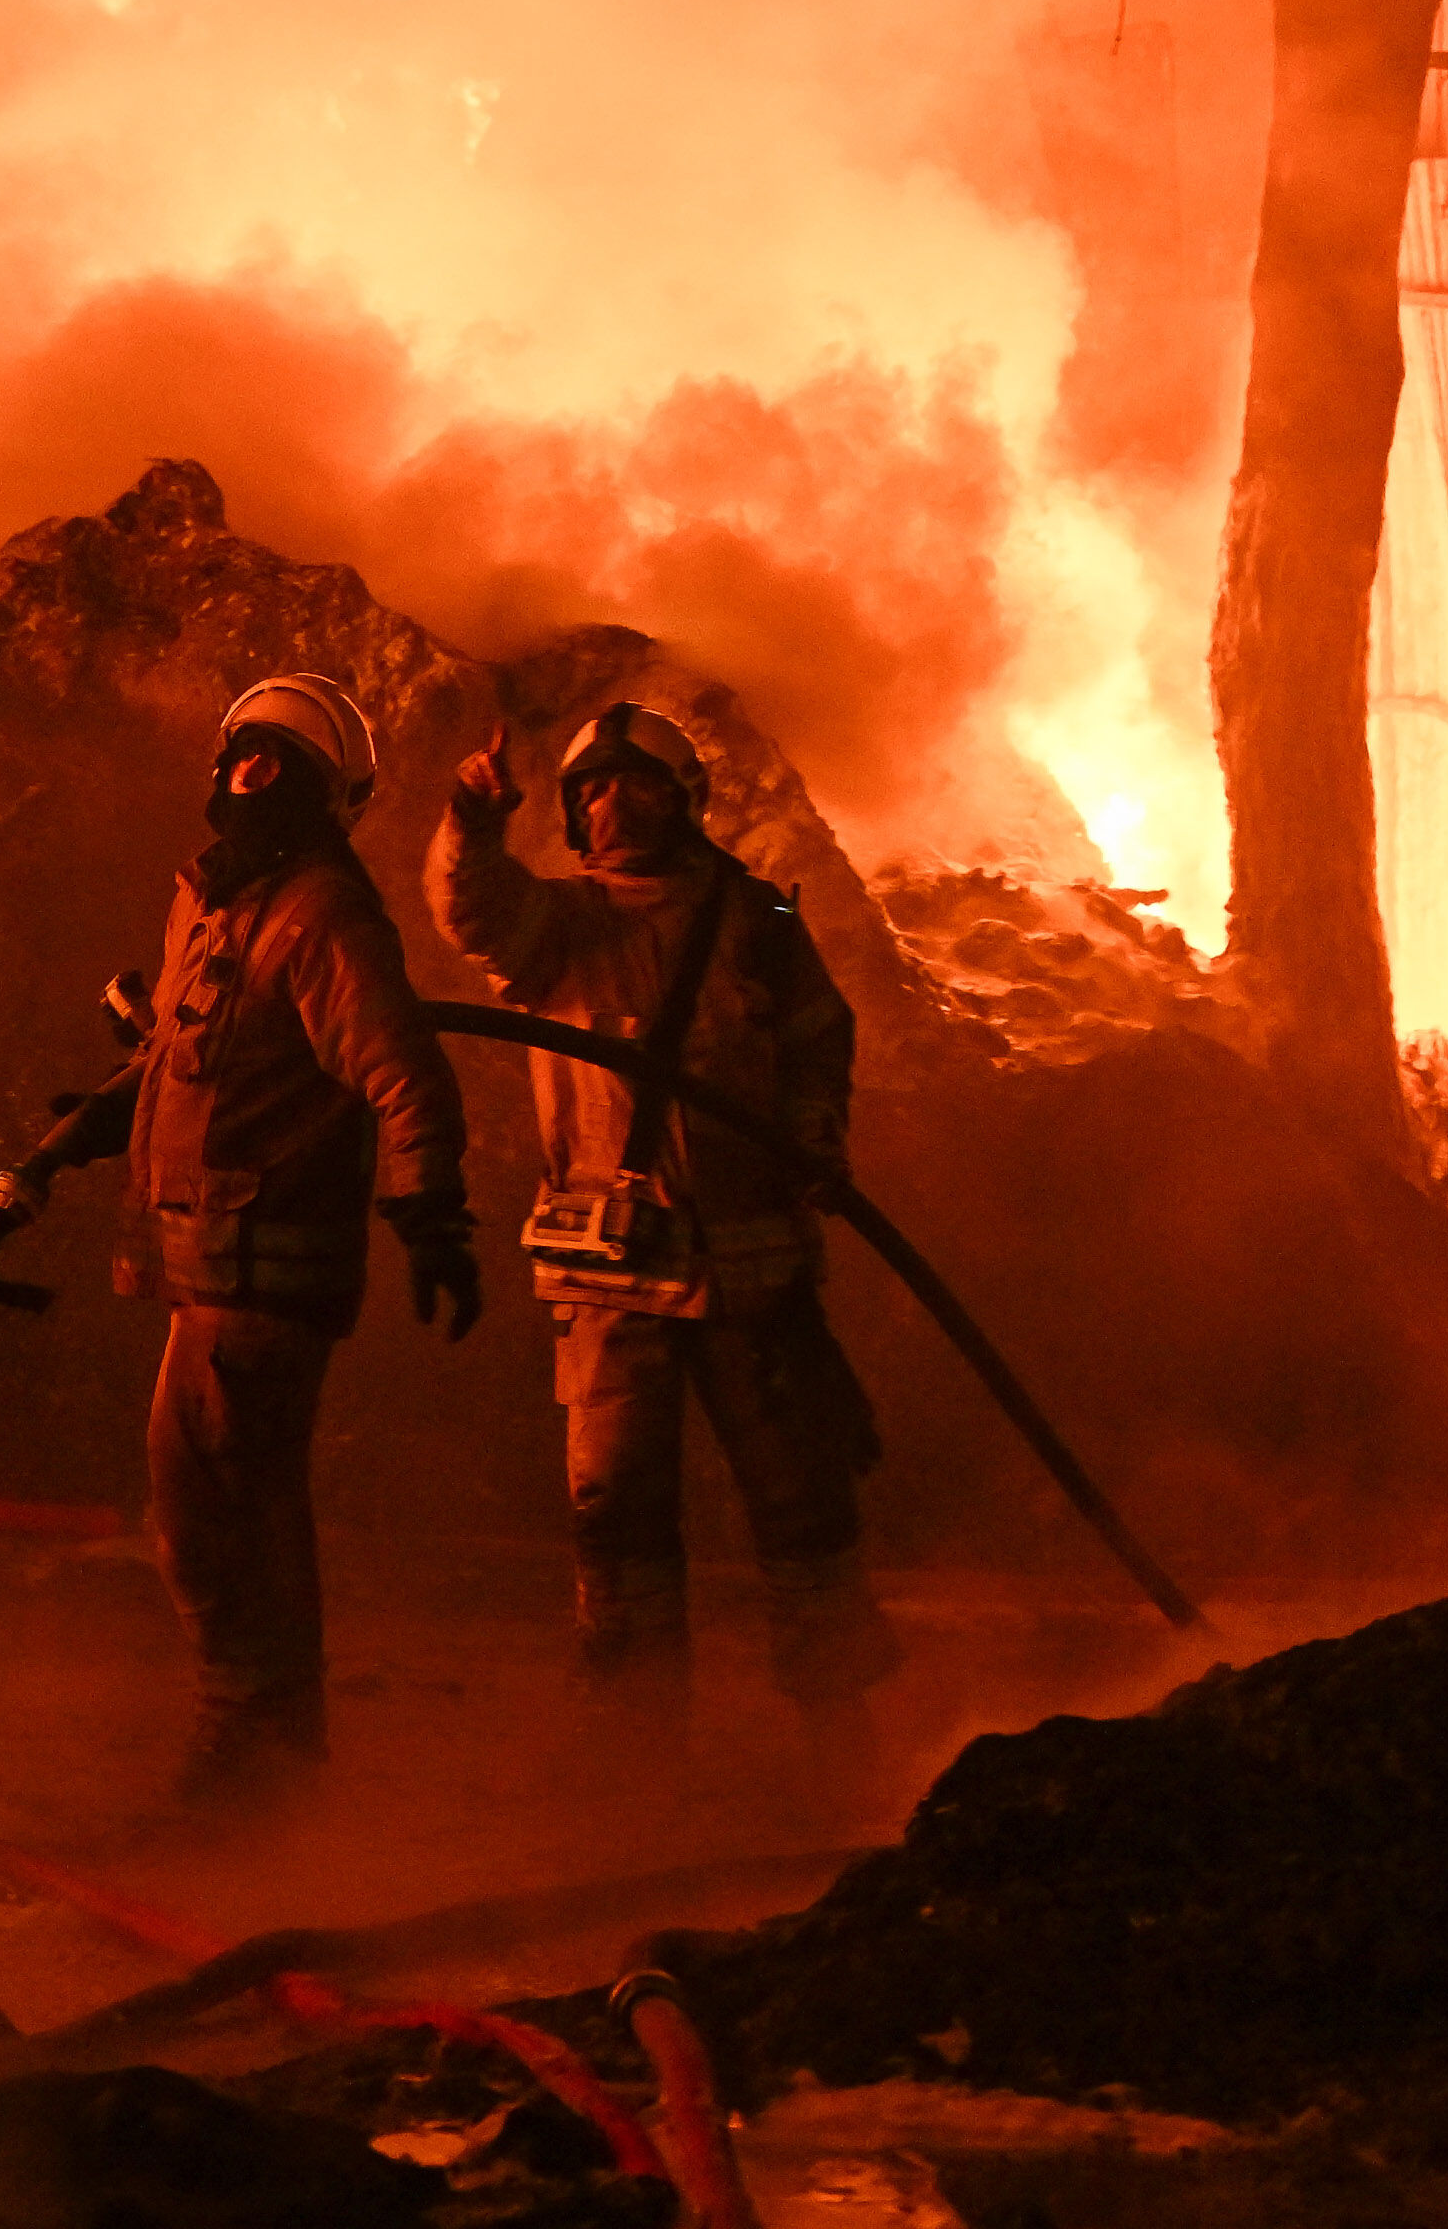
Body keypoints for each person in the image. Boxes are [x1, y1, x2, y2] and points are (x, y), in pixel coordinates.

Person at [429, 700, 894, 1791]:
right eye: (591, 789)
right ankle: (633, 1748)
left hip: (755, 1273)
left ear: (686, 803)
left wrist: (817, 1139)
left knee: (802, 1504)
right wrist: (469, 820)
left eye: (637, 784)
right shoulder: (557, 927)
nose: (612, 801)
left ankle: (840, 1738)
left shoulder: (762, 917)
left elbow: (820, 1044)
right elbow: (467, 906)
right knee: (617, 1517)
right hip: (612, 1276)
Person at [110, 673, 476, 1807]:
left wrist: (430, 1216)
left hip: (267, 1272)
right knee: (192, 1518)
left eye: (279, 764)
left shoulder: (323, 912)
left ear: (323, 797)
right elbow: (204, 1060)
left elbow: (403, 1077)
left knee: (237, 1518)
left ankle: (258, 1764)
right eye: (242, 756)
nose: (249, 776)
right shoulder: (210, 904)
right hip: (201, 1270)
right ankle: (255, 1748)